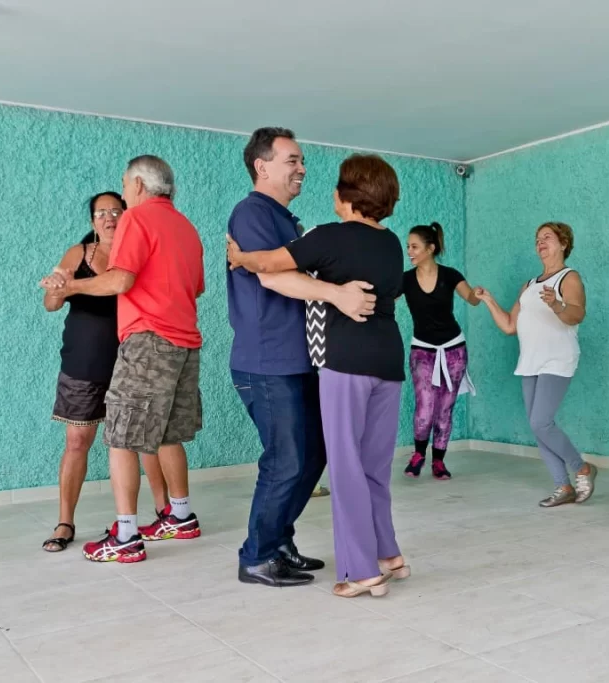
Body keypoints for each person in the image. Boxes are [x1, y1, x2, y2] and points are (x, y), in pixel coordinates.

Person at [227, 153, 408, 599]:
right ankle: (389, 556)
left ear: (346, 195)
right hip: (389, 362)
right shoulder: (392, 243)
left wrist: (241, 256)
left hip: (346, 363)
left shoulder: (332, 237)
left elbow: (270, 265)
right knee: (374, 469)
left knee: (345, 467)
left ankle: (360, 571)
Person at [42, 155, 205, 563]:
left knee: (121, 437)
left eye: (123, 189)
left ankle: (126, 536)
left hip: (148, 341)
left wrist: (72, 285)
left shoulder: (137, 219)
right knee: (165, 432)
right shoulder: (186, 226)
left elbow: (121, 280)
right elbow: (194, 288)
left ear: (136, 184)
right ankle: (180, 516)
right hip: (184, 342)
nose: (116, 210)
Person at [39, 192, 169, 552]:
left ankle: (164, 512)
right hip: (83, 362)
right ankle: (65, 522)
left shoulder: (138, 251)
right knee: (77, 441)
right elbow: (52, 303)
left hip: (132, 362)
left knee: (141, 441)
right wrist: (56, 288)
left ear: (126, 215)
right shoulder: (79, 253)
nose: (109, 217)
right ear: (92, 221)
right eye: (101, 213)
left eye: (116, 210)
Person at [476, 222, 597, 508]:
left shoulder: (569, 277)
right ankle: (562, 486)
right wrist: (489, 300)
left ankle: (582, 468)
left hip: (558, 358)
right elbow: (509, 325)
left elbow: (577, 314)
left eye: (547, 238)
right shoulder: (529, 286)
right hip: (530, 361)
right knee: (538, 426)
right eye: (537, 239)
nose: (540, 243)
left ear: (564, 243)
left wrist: (557, 305)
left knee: (540, 421)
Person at [401, 222, 479, 480]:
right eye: (408, 246)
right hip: (422, 349)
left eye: (414, 246)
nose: (409, 251)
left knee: (445, 409)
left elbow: (471, 298)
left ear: (430, 248)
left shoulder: (450, 275)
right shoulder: (406, 279)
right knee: (425, 406)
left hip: (454, 349)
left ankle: (439, 462)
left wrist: (479, 294)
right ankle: (418, 454)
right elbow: (381, 299)